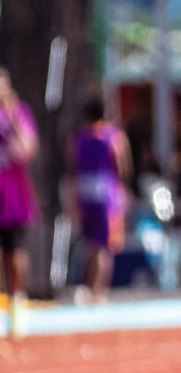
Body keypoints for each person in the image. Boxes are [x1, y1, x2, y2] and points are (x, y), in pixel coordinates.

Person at [70, 98, 133, 305]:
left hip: (83, 191)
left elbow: (71, 168)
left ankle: (89, 288)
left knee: (90, 245)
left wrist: (72, 200)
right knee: (104, 246)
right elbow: (123, 168)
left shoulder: (78, 138)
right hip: (106, 193)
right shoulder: (113, 137)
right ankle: (98, 292)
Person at [0, 67, 38, 332]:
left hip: (12, 193)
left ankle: (18, 300)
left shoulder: (19, 111)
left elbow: (28, 149)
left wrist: (12, 117)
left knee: (15, 250)